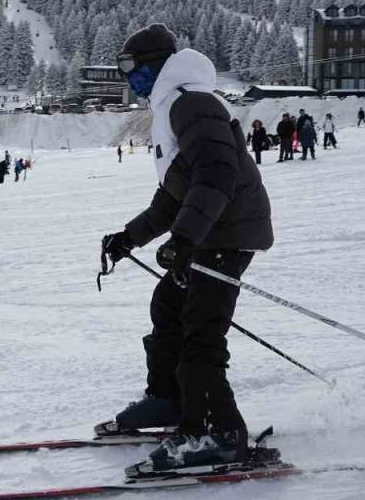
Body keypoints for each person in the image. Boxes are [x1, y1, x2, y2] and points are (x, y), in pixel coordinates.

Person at [99, 23, 273, 472]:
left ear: (156, 64)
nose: (128, 77)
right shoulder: (174, 105)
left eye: (131, 66)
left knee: (201, 329)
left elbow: (216, 175)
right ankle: (171, 399)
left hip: (226, 231)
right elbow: (174, 194)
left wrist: (184, 240)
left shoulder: (191, 103)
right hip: (210, 230)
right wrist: (129, 237)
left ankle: (217, 431)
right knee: (169, 305)